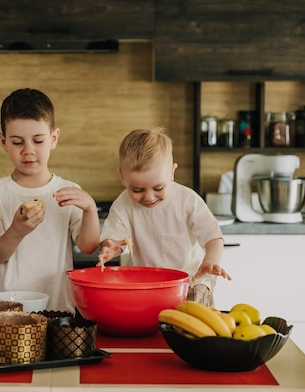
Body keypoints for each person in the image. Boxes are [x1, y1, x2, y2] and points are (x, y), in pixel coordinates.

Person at [0, 88, 101, 313]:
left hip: (55, 306)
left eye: (38, 140)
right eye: (17, 142)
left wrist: (90, 209)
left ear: (53, 139)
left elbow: (88, 247)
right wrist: (17, 230)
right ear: (3, 142)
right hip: (2, 308)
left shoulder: (67, 192)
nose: (28, 151)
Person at [97, 127, 230, 306]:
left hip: (191, 283)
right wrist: (111, 247)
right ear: (122, 176)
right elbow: (115, 239)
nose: (149, 197)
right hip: (147, 287)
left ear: (172, 173)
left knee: (192, 325)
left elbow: (213, 237)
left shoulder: (187, 201)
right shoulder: (123, 205)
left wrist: (210, 260)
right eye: (137, 190)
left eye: (158, 188)